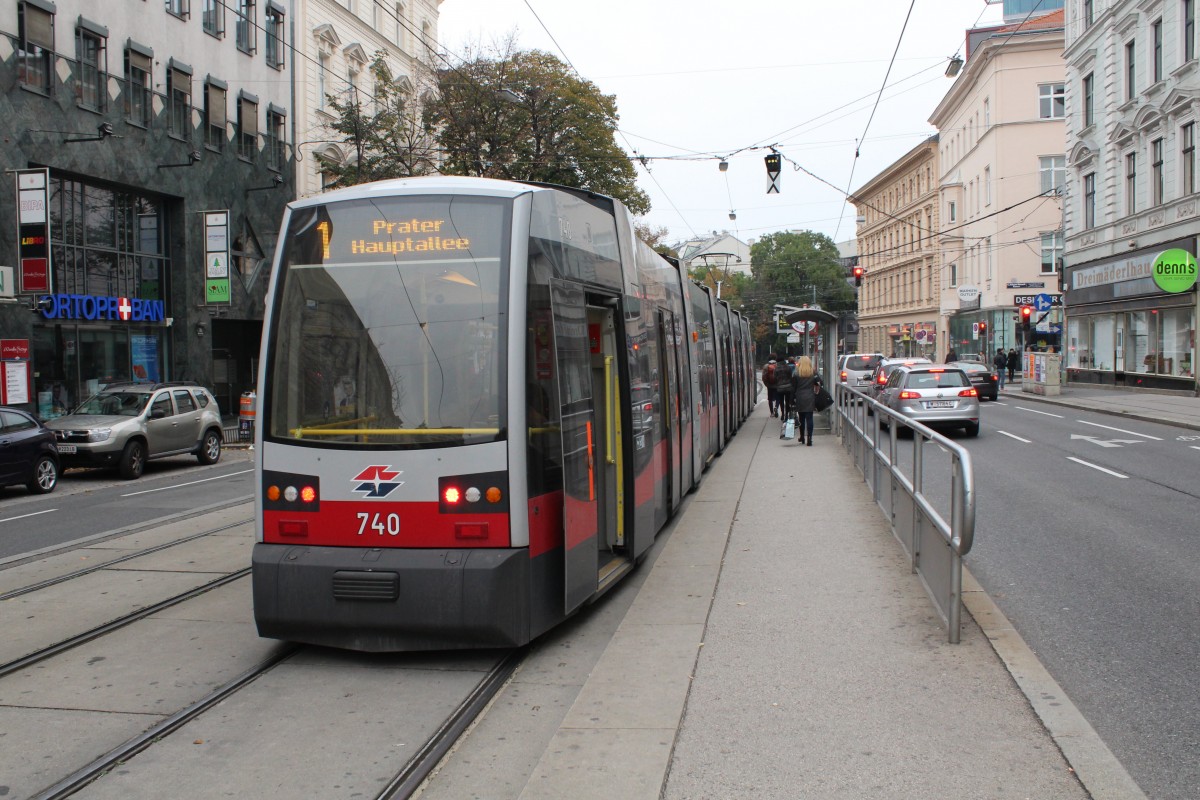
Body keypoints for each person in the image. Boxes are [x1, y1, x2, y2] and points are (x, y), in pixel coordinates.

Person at [790, 355, 823, 447]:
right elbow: (820, 382)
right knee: (809, 418)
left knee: (801, 418)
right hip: (810, 397)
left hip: (800, 397)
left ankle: (802, 437)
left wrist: (791, 400)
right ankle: (809, 438)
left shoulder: (796, 373)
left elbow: (793, 388)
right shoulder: (812, 372)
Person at [774, 356, 795, 438]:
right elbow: (791, 376)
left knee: (781, 401)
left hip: (780, 387)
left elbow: (775, 378)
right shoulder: (787, 367)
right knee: (787, 401)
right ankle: (787, 415)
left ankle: (782, 413)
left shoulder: (776, 369)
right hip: (788, 387)